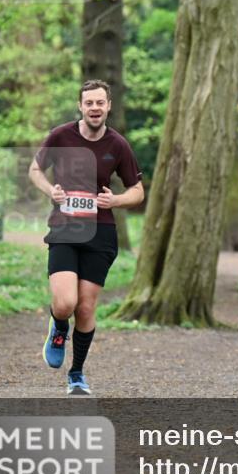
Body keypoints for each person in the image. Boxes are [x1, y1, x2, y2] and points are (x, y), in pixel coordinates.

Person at [28, 79, 144, 395]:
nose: (95, 108)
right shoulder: (61, 136)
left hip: (101, 232)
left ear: (108, 106)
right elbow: (35, 170)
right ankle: (58, 328)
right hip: (65, 229)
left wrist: (116, 200)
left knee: (86, 308)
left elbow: (138, 190)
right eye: (89, 103)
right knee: (65, 304)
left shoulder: (118, 145)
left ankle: (76, 374)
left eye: (100, 103)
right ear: (80, 106)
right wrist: (49, 189)